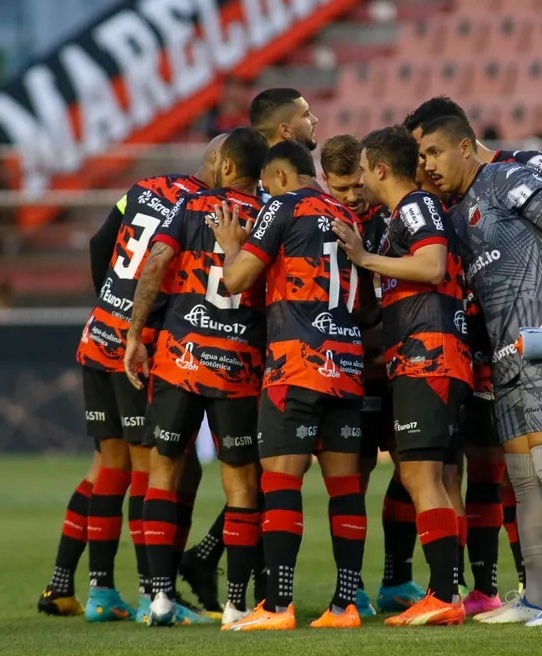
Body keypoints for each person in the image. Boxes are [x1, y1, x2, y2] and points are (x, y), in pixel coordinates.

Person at [404, 97, 542, 620]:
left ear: (466, 145)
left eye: (436, 151)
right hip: (505, 351)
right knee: (522, 478)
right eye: (422, 156)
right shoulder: (455, 215)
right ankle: (535, 597)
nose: (429, 165)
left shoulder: (510, 175)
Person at [36, 136, 224, 620]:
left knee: (109, 467)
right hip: (136, 348)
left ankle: (91, 590)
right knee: (148, 470)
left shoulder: (142, 188)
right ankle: (150, 596)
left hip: (99, 331)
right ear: (224, 167)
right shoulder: (203, 207)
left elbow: (101, 241)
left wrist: (110, 301)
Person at [212, 140, 368, 631]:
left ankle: (277, 606)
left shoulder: (282, 205)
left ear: (278, 177)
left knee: (280, 483)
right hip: (345, 362)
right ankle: (345, 606)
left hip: (296, 364)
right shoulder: (346, 212)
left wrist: (231, 244)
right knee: (345, 490)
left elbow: (235, 281)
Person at [179, 88, 321, 609]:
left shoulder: (245, 187)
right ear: (285, 133)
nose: (314, 122)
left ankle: (225, 566)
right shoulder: (272, 193)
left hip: (246, 344)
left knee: (274, 471)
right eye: (306, 116)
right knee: (272, 471)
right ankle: (251, 586)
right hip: (255, 349)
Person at [124, 127, 269, 627]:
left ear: (227, 166)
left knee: (162, 474)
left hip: (180, 358)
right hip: (240, 366)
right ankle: (235, 604)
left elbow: (154, 265)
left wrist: (135, 334)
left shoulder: (188, 207)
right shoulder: (272, 217)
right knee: (242, 486)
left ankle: (160, 597)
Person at [333, 125, 472, 627]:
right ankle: (446, 591)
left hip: (428, 356)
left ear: (381, 169)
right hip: (431, 355)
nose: (360, 178)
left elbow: (432, 266)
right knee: (438, 476)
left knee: (421, 476)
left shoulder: (414, 207)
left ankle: (441, 596)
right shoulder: (402, 215)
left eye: (364, 168)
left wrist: (364, 258)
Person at [319, 134, 426, 615]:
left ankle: (397, 578)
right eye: (341, 188)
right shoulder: (320, 220)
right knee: (353, 477)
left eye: (357, 185)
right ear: (326, 182)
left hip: (399, 362)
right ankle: (351, 586)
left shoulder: (393, 215)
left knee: (412, 468)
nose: (352, 196)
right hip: (350, 367)